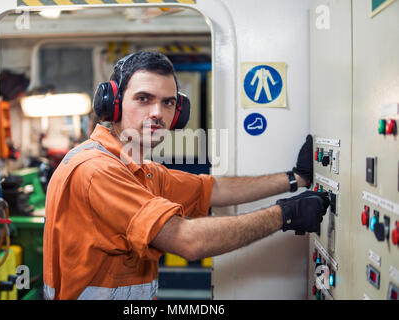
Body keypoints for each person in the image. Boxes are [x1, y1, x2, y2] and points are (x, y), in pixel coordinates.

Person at [43, 51, 329, 300]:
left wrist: (296, 178)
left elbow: (213, 190)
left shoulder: (140, 171)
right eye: (143, 98)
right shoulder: (97, 170)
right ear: (113, 104)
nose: (157, 112)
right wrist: (285, 214)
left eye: (167, 103)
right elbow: (188, 240)